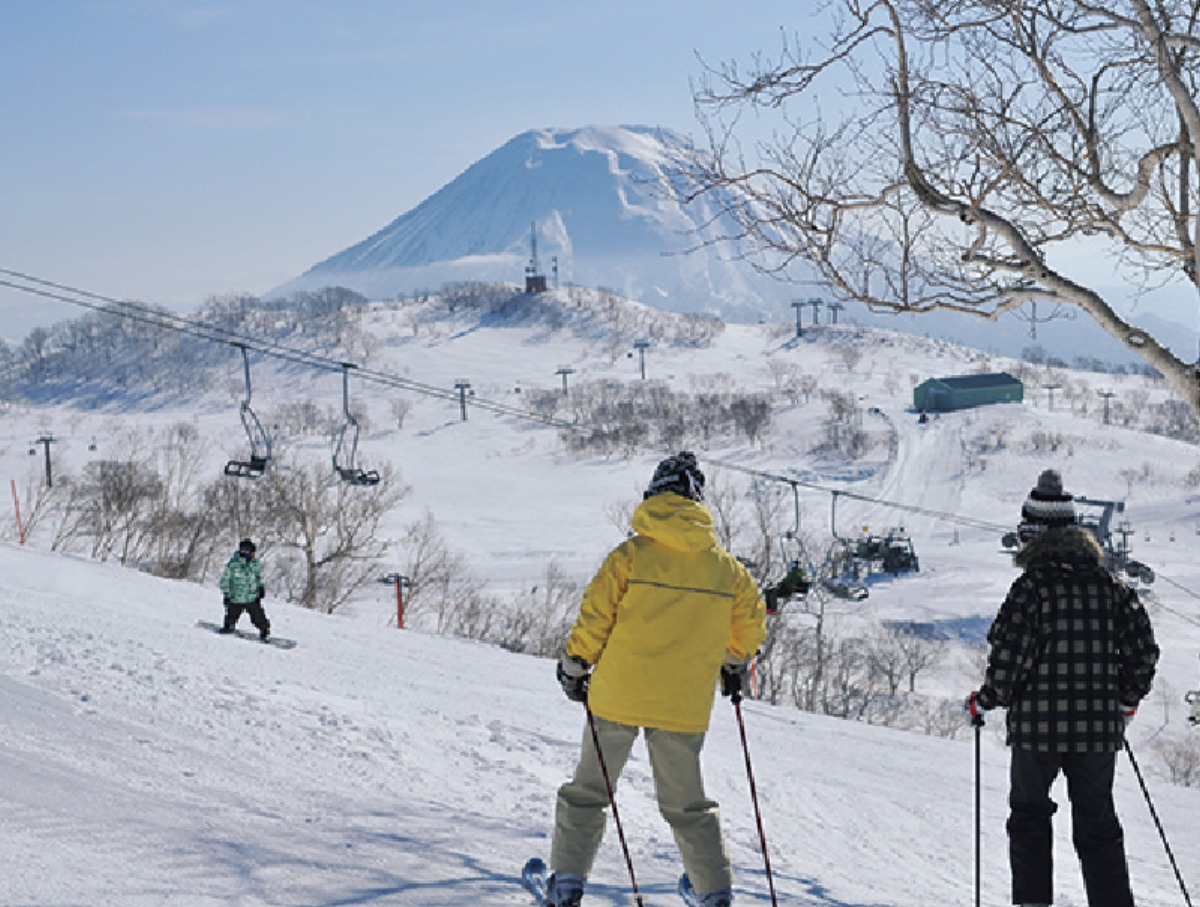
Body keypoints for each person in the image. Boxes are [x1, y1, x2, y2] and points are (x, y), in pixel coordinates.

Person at [546, 452, 768, 907]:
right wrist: (731, 663)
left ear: (653, 494)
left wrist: (575, 666)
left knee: (589, 791)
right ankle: (713, 892)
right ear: (697, 500)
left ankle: (567, 884)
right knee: (687, 805)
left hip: (616, 697)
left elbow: (594, 619)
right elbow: (749, 630)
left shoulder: (629, 556)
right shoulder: (728, 571)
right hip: (682, 706)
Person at [965, 469, 1159, 907]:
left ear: (1032, 534)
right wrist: (1125, 701)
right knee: (1098, 824)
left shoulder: (1030, 589)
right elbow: (1144, 654)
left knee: (1030, 819)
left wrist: (985, 700)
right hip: (1097, 732)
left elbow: (1008, 662)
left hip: (1037, 732)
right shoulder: (1113, 589)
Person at [219, 538, 270, 641]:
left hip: (251, 597)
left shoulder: (255, 564)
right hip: (236, 597)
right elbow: (225, 581)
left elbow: (258, 577)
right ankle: (229, 626)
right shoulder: (233, 565)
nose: (254, 554)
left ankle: (264, 631)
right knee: (232, 614)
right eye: (253, 552)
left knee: (258, 616)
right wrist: (227, 595)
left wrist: (261, 588)